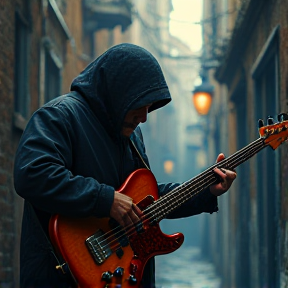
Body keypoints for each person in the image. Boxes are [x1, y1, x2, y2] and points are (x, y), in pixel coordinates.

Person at [14, 43, 236, 288]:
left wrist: (205, 190)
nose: (144, 117)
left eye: (150, 107)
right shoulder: (58, 117)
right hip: (63, 278)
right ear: (120, 91)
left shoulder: (131, 135)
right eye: (140, 104)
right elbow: (32, 174)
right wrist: (106, 199)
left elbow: (144, 201)